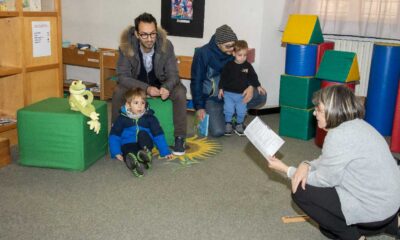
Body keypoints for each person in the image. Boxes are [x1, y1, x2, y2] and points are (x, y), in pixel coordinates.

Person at [266, 85, 400, 240]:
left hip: (376, 212)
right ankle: (394, 224)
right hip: (390, 205)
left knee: (301, 190)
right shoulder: (359, 124)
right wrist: (307, 164)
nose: (315, 113)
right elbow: (329, 160)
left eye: (320, 110)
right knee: (327, 230)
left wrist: (286, 169)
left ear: (334, 110)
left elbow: (324, 180)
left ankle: (356, 237)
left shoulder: (338, 136)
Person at [112, 12, 187, 155]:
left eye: (152, 34)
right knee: (118, 91)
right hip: (137, 84)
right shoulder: (126, 46)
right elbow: (122, 76)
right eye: (144, 35)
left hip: (160, 83)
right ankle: (116, 133)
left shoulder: (166, 45)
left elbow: (173, 74)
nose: (149, 39)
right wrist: (146, 89)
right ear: (137, 34)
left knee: (180, 91)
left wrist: (166, 87)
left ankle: (180, 137)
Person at [191, 24, 267, 137]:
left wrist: (251, 86)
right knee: (218, 131)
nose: (232, 50)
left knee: (261, 95)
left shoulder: (234, 51)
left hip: (235, 93)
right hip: (214, 99)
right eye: (228, 46)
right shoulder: (203, 53)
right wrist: (199, 107)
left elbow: (247, 70)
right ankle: (228, 113)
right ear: (218, 44)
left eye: (233, 46)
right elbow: (196, 81)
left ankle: (234, 114)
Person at [109, 88, 173, 177]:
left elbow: (158, 134)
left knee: (142, 134)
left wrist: (165, 151)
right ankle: (134, 163)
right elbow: (114, 135)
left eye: (142, 103)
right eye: (136, 103)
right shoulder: (121, 119)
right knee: (128, 149)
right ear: (128, 105)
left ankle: (145, 154)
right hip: (128, 143)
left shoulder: (150, 118)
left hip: (145, 143)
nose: (140, 106)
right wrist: (116, 151)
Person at [218, 40, 266, 136]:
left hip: (241, 95)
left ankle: (239, 125)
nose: (243, 58)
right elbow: (223, 77)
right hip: (229, 94)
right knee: (229, 109)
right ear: (234, 53)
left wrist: (258, 86)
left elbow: (253, 76)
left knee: (242, 111)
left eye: (245, 55)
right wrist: (220, 89)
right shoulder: (229, 65)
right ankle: (228, 124)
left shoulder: (247, 66)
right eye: (240, 55)